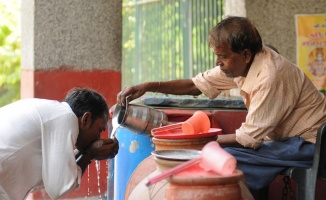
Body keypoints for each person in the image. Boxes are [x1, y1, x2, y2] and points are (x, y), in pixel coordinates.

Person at [117, 16, 326, 193]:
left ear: (245, 54)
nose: (218, 62)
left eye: (222, 57)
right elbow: (194, 85)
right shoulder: (241, 65)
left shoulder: (270, 76)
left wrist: (197, 142)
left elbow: (248, 139)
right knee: (220, 156)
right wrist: (148, 86)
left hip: (311, 144)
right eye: (217, 56)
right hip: (288, 141)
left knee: (225, 159)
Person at [0, 87, 119, 200]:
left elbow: (57, 171)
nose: (98, 138)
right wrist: (90, 153)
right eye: (99, 130)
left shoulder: (54, 113)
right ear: (86, 119)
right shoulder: (66, 117)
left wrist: (85, 153)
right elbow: (58, 187)